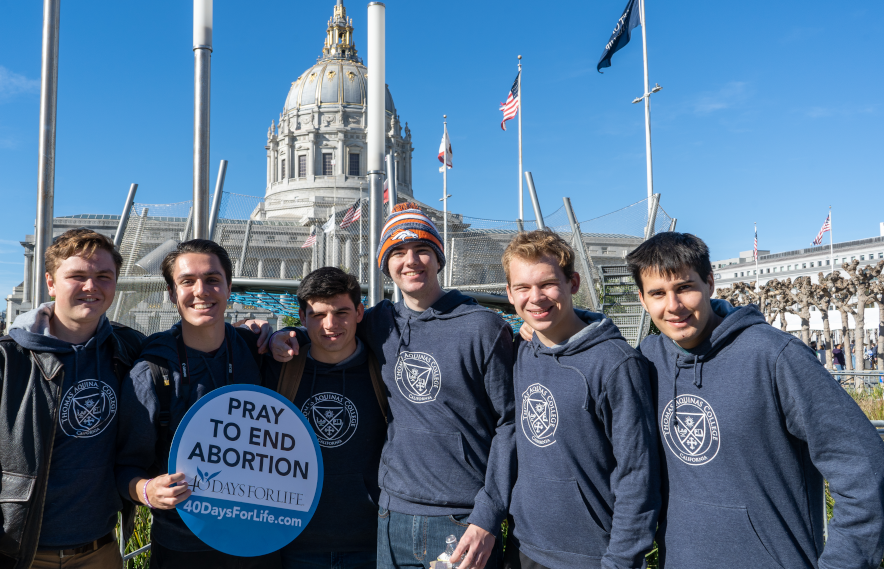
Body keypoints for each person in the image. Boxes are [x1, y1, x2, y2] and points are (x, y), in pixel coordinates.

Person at [270, 203, 514, 569]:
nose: (411, 261)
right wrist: (276, 334)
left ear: (439, 258)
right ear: (385, 265)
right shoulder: (379, 322)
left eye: (422, 250)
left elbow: (511, 425)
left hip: (462, 519)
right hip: (391, 516)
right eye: (398, 252)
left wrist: (488, 515)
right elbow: (328, 328)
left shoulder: (482, 327)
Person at [628, 232, 884, 569]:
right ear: (643, 301)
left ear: (709, 283)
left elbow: (864, 469)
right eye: (658, 293)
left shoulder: (775, 356)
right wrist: (534, 333)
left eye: (684, 287)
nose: (673, 306)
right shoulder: (646, 359)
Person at [0, 228, 145, 569]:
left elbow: (188, 349)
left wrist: (250, 334)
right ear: (51, 283)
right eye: (77, 276)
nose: (91, 286)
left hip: (100, 552)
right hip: (19, 556)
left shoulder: (129, 350)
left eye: (104, 276)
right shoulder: (1, 362)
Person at [116, 239, 279, 569]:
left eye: (213, 280)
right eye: (187, 281)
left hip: (261, 539)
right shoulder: (151, 372)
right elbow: (123, 468)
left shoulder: (259, 352)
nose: (202, 291)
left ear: (229, 287)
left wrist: (293, 337)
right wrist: (146, 490)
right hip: (184, 545)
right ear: (172, 292)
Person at [503, 230, 660, 569]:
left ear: (573, 283)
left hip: (591, 556)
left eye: (547, 284)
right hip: (522, 549)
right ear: (510, 294)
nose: (536, 298)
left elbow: (637, 475)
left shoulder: (616, 363)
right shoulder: (521, 352)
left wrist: (621, 561)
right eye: (523, 288)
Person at [264, 267, 389, 569]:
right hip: (295, 544)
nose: (330, 325)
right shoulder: (278, 368)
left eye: (341, 312)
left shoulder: (385, 368)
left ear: (360, 312)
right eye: (318, 315)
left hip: (372, 544)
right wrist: (262, 333)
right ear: (302, 317)